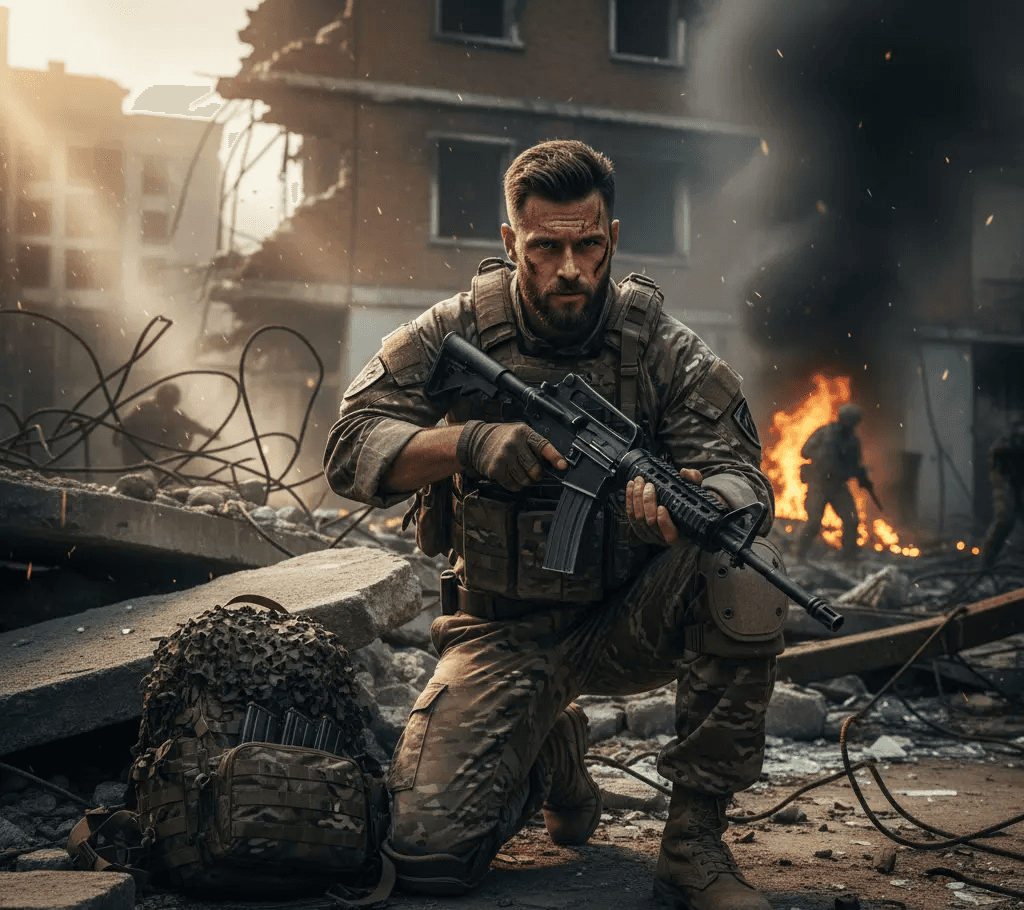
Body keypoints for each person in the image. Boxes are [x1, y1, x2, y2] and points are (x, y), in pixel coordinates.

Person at [325, 140, 785, 910]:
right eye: (546, 248)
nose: (569, 268)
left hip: (624, 620)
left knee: (744, 567)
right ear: (511, 244)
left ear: (611, 238)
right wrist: (465, 443)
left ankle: (693, 841)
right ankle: (552, 748)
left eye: (587, 245)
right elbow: (348, 448)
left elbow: (745, 477)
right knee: (430, 862)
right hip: (500, 631)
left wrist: (695, 499)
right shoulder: (454, 330)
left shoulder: (661, 346)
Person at [795, 403, 872, 562]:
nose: (851, 424)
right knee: (814, 522)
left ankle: (849, 557)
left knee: (851, 520)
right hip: (819, 484)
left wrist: (861, 477)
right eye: (849, 420)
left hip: (837, 487)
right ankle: (799, 554)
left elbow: (855, 466)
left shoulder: (853, 442)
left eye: (854, 421)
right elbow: (804, 451)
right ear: (842, 419)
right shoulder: (824, 433)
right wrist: (822, 456)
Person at [115, 382, 214, 468]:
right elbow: (125, 422)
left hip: (152, 451)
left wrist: (207, 432)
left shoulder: (173, 414)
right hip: (135, 449)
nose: (169, 405)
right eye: (168, 401)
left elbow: (191, 424)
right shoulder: (145, 408)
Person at [980, 419, 1024, 567]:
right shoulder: (1007, 443)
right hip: (1005, 476)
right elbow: (997, 462)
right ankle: (986, 562)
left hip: (1017, 479)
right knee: (1005, 518)